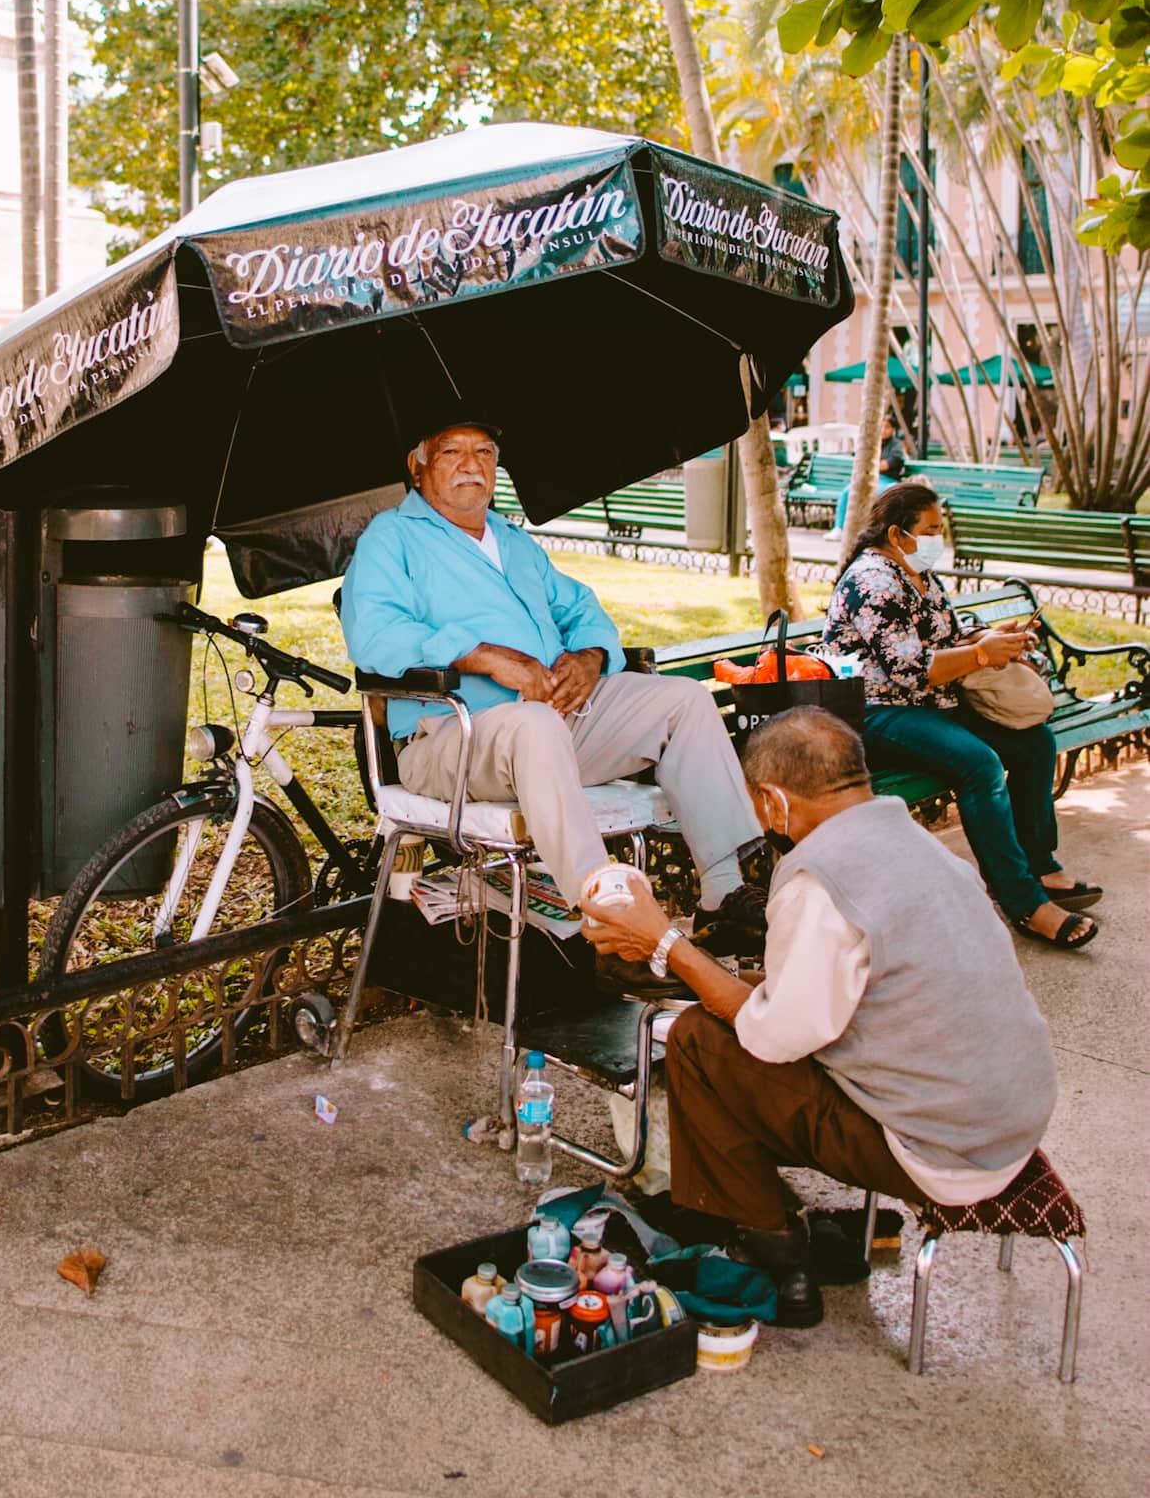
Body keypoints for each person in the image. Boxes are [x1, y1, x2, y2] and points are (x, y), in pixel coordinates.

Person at [580, 707, 1060, 1326]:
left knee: (700, 1040)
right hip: (1011, 1118)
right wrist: (712, 973)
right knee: (720, 1008)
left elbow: (776, 1037)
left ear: (774, 801)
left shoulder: (817, 877)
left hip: (944, 1150)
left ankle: (771, 1244)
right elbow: (830, 990)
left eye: (755, 805)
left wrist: (665, 943)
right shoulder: (921, 846)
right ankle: (744, 1200)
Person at [339, 414, 761, 919]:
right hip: (452, 738)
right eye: (452, 452)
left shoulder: (512, 540)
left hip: (554, 729)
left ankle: (725, 892)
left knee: (684, 701)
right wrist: (484, 656)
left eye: (485, 453)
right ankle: (611, 918)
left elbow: (581, 608)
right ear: (418, 468)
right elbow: (374, 635)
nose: (472, 465)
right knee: (534, 724)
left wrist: (591, 656)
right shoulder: (392, 537)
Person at [821, 478, 1099, 949]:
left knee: (1035, 743)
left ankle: (1040, 864)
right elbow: (908, 669)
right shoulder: (872, 581)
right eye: (930, 529)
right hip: (876, 712)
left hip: (931, 704)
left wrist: (994, 638)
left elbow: (945, 637)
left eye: (939, 528)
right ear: (897, 534)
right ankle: (1024, 903)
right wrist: (982, 655)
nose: (938, 539)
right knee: (979, 764)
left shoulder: (918, 573)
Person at [831, 410, 906, 534]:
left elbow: (886, 465)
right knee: (847, 492)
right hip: (870, 478)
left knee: (875, 494)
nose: (883, 430)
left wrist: (871, 464)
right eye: (881, 427)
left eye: (887, 427)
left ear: (893, 429)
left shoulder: (896, 446)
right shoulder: (872, 443)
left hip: (887, 481)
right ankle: (838, 528)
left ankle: (870, 529)